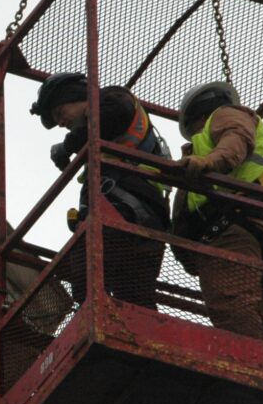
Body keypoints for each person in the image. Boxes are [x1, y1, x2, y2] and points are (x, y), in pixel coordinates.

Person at [29, 72, 171, 309]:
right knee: (134, 297)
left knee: (87, 269)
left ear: (77, 97)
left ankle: (94, 324)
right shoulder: (101, 133)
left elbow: (111, 116)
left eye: (60, 113)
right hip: (142, 215)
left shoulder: (112, 99)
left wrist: (69, 146)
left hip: (127, 209)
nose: (62, 124)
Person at [170, 81, 263, 342]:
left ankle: (255, 371)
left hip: (234, 227)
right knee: (256, 313)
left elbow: (235, 140)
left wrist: (208, 161)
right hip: (255, 230)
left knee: (233, 305)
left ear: (198, 116)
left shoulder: (224, 117)